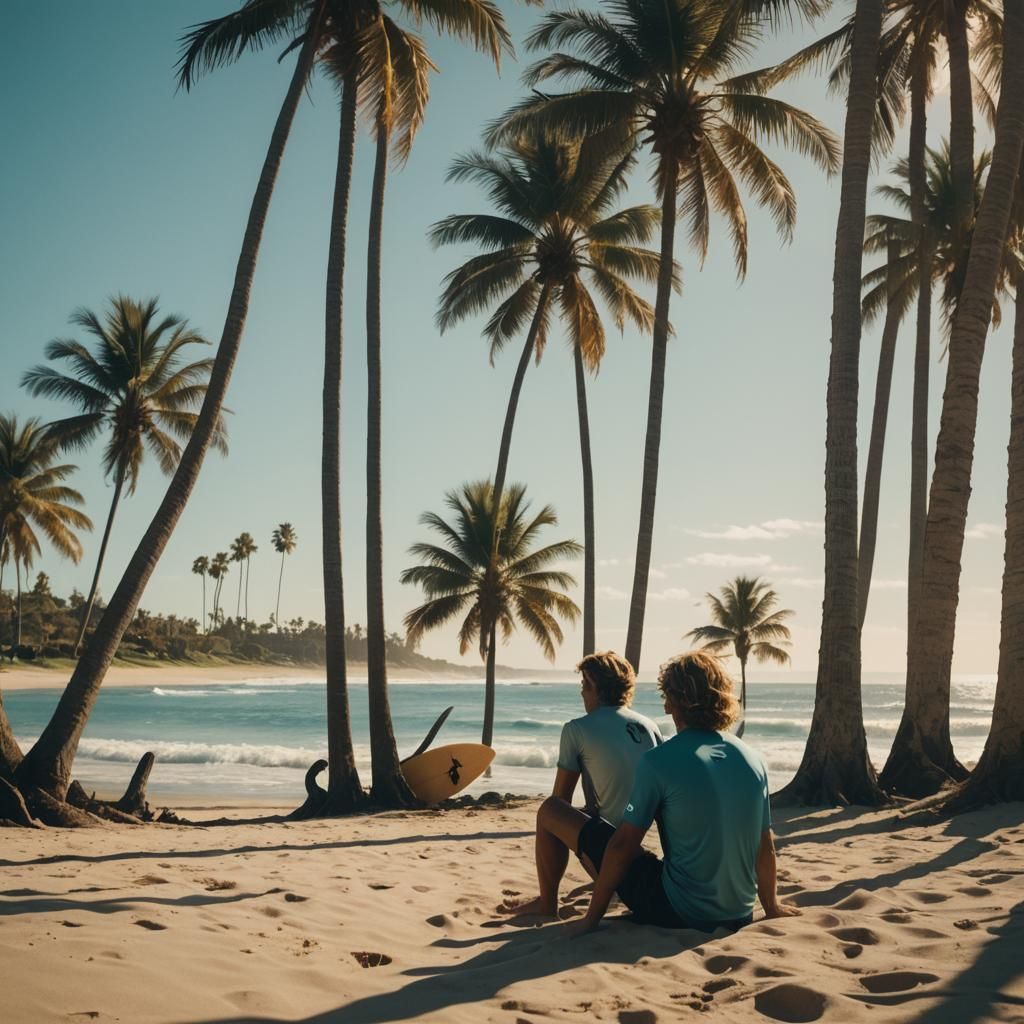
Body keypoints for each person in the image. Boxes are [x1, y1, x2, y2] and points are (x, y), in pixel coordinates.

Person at [529, 651, 797, 933]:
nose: (665, 705)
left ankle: (549, 904)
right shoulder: (753, 759)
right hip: (740, 912)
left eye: (666, 697)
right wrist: (771, 906)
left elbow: (622, 846)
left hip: (680, 911)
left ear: (672, 702)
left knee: (553, 810)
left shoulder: (659, 760)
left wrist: (591, 919)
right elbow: (764, 844)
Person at [500, 650, 663, 918]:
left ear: (593, 685)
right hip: (646, 854)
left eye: (583, 685)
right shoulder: (650, 725)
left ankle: (547, 904)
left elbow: (560, 800)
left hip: (613, 855)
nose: (581, 693)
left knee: (548, 812)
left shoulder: (577, 729)